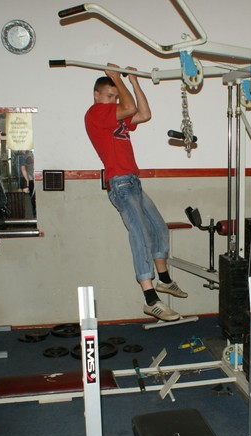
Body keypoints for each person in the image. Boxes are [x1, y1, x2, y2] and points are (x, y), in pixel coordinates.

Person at [85, 64, 187, 321]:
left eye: (115, 97)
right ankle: (150, 300)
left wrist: (133, 81)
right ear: (96, 95)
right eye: (109, 96)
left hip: (134, 182)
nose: (113, 101)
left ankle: (164, 279)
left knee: (159, 228)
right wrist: (116, 78)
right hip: (120, 184)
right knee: (140, 235)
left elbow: (144, 113)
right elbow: (130, 107)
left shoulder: (115, 116)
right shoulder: (96, 113)